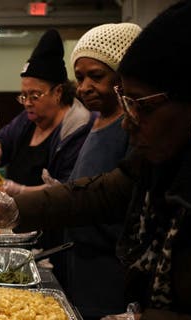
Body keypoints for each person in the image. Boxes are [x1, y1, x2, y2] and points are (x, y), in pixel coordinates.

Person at [0, 0, 191, 318]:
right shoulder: (179, 147)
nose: (128, 121)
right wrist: (16, 209)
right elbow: (104, 192)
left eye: (142, 106)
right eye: (127, 102)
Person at [55, 22, 141, 320]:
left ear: (124, 77)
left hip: (110, 270)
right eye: (79, 78)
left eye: (96, 76)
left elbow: (120, 202)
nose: (84, 87)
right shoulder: (97, 121)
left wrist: (63, 201)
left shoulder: (131, 131)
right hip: (80, 264)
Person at [0, 29, 94, 194]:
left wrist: (19, 190)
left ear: (58, 92)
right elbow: (4, 137)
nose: (27, 103)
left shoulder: (76, 128)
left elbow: (65, 188)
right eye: (23, 96)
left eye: (34, 96)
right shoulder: (29, 118)